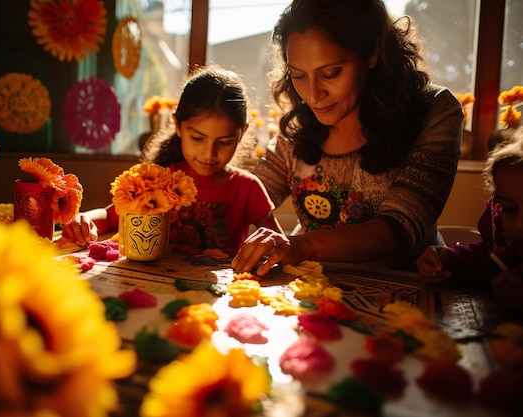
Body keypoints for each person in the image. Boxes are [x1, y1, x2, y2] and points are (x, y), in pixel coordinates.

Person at [230, 0, 463, 276]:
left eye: (330, 73)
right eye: (299, 75)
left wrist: (301, 246)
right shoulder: (297, 128)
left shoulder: (434, 111)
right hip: (312, 290)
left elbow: (400, 227)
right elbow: (249, 197)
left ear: (372, 53)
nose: (314, 95)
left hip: (406, 290)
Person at [62, 65, 282, 255]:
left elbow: (278, 243)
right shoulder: (156, 179)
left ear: (241, 134)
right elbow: (109, 216)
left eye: (223, 142)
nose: (208, 154)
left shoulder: (248, 188)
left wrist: (273, 245)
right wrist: (84, 220)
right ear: (177, 125)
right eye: (197, 138)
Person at [416, 128, 523, 313]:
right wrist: (450, 259)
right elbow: (489, 259)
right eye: (509, 209)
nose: (520, 224)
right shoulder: (506, 241)